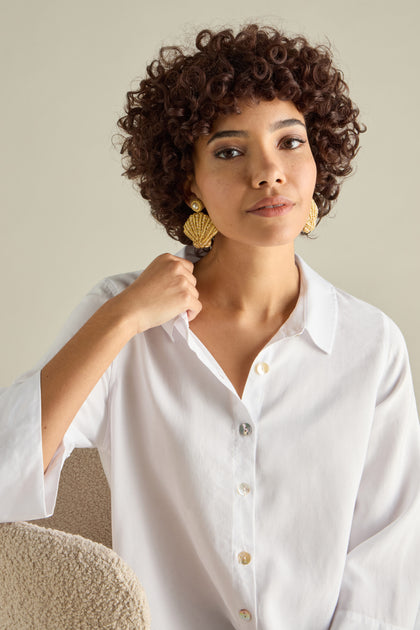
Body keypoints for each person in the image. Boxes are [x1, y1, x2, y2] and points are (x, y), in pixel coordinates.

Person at [1, 23, 419, 630]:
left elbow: (386, 567)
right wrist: (121, 318)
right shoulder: (126, 317)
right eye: (229, 151)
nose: (268, 172)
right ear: (187, 182)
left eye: (291, 142)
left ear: (318, 161)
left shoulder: (370, 345)